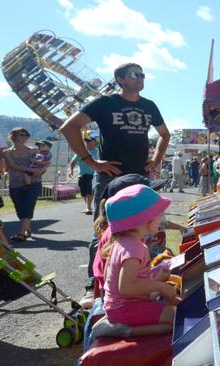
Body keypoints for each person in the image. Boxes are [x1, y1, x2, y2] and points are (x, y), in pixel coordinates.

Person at [59, 62, 171, 308]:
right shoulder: (105, 103)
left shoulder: (149, 105)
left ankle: (141, 282)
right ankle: (93, 285)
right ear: (120, 79)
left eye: (143, 74)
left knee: (146, 228)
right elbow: (69, 127)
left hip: (140, 177)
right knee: (103, 230)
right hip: (111, 176)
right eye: (136, 74)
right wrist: (91, 161)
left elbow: (165, 134)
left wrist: (156, 159)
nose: (141, 78)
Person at [91, 184, 179, 338]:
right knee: (177, 317)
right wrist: (160, 286)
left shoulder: (125, 243)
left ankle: (121, 328)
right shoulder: (134, 249)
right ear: (143, 218)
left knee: (170, 321)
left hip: (119, 308)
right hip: (126, 309)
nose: (162, 217)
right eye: (159, 213)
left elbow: (130, 281)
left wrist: (157, 279)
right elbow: (126, 289)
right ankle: (122, 330)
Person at [2, 128, 48, 241]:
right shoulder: (7, 152)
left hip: (34, 182)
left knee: (28, 205)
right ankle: (27, 228)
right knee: (19, 208)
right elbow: (12, 166)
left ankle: (22, 233)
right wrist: (30, 170)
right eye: (21, 134)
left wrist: (39, 171)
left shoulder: (34, 150)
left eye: (26, 135)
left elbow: (42, 164)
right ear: (13, 136)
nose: (24, 137)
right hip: (15, 183)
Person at [69, 137, 99, 215]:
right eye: (86, 142)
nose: (87, 143)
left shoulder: (98, 152)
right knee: (84, 192)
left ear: (94, 143)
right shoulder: (81, 151)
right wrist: (71, 171)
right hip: (82, 175)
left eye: (89, 141)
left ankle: (88, 207)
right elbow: (73, 161)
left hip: (93, 175)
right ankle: (87, 206)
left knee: (89, 191)